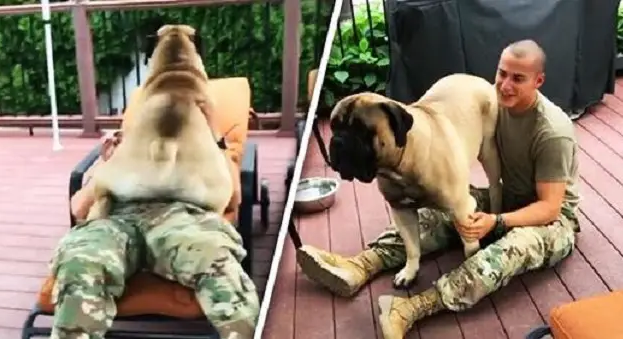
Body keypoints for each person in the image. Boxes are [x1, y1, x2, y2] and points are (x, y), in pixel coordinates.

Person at [296, 39, 580, 338]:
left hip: (552, 219)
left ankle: (413, 307)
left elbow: (550, 206)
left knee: (505, 252)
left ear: (539, 81)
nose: (505, 85)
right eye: (502, 73)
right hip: (508, 198)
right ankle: (361, 265)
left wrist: (496, 222)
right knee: (438, 215)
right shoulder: (496, 105)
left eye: (518, 78)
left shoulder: (552, 131)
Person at [50, 130, 259, 339]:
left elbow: (233, 199)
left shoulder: (197, 143)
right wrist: (109, 164)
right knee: (80, 262)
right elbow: (78, 209)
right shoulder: (126, 146)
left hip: (180, 217)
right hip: (115, 219)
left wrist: (215, 146)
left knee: (213, 256)